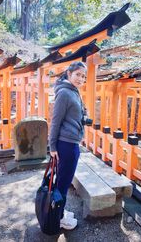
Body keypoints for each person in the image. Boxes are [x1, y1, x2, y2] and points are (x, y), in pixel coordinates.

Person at [49, 61, 87, 230]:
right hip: (66, 145)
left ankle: (60, 211)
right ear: (69, 74)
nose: (81, 78)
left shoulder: (74, 91)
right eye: (78, 74)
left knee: (62, 180)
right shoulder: (65, 93)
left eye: (83, 76)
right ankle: (58, 219)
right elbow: (55, 121)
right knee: (63, 182)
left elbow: (73, 117)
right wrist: (52, 147)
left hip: (71, 142)